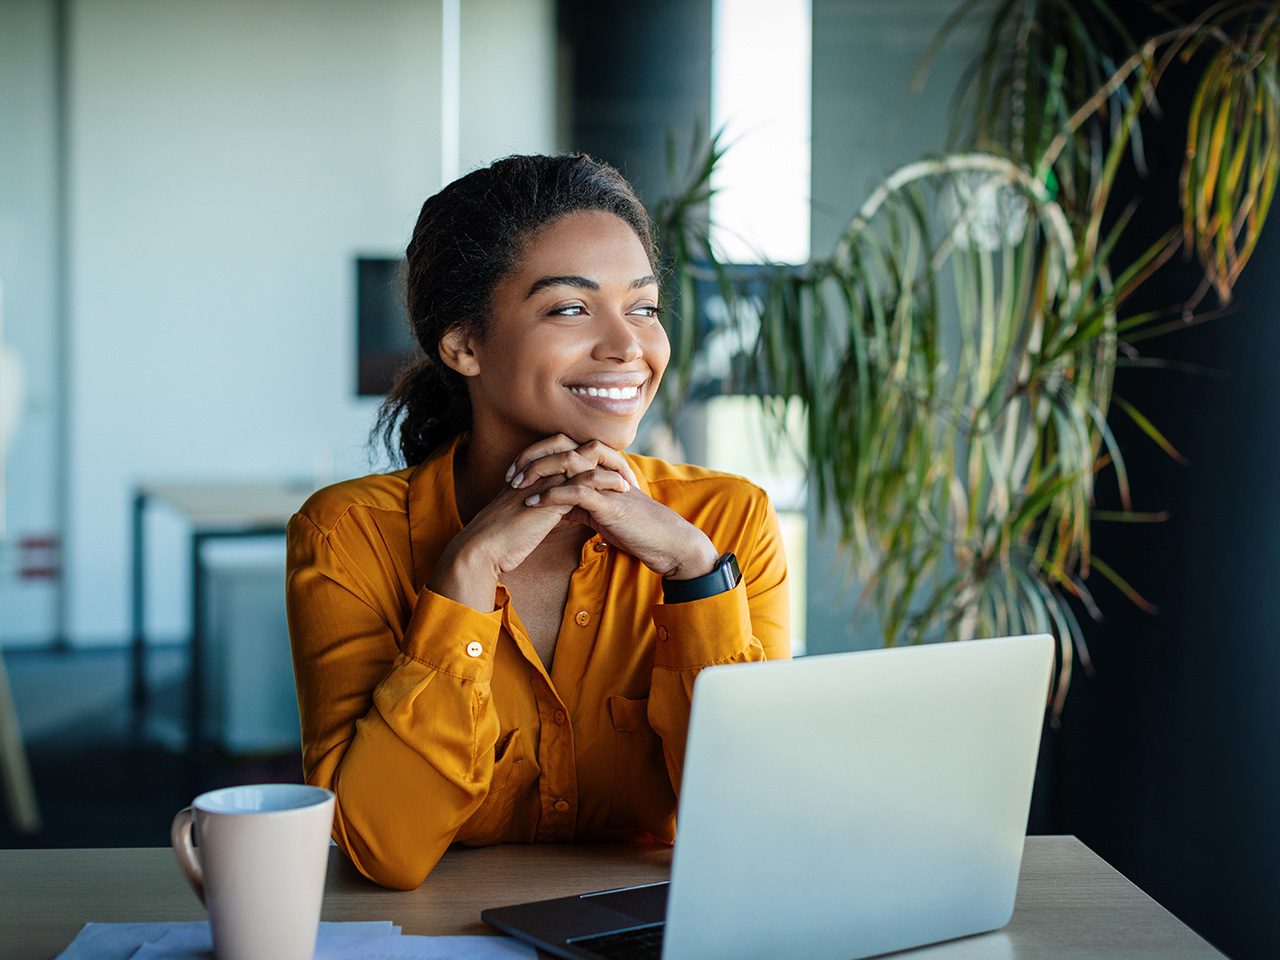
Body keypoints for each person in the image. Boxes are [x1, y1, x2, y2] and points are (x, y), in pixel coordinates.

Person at [285, 154, 790, 890]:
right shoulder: (347, 537)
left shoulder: (723, 524)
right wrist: (463, 579)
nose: (628, 347)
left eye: (643, 308)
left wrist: (696, 578)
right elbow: (382, 849)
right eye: (570, 308)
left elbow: (758, 823)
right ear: (462, 344)